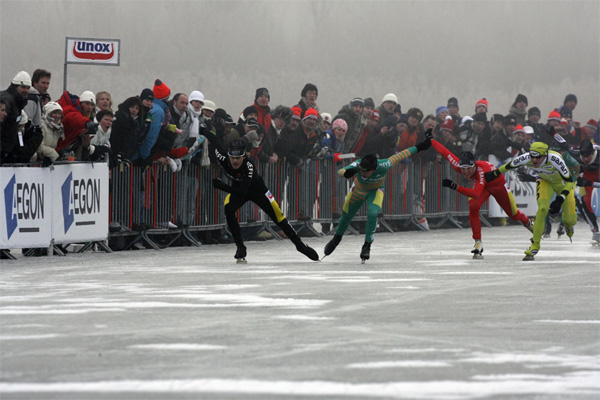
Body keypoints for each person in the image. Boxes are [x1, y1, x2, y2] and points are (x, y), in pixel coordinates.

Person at [203, 127, 319, 262]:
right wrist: (200, 129)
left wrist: (222, 186)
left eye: (238, 158)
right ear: (228, 155)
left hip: (258, 191)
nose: (235, 161)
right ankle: (240, 247)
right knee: (229, 209)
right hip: (238, 188)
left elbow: (243, 191)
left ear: (244, 156)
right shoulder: (223, 157)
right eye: (233, 158)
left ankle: (300, 246)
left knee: (279, 217)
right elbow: (214, 140)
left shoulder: (249, 166)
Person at [323, 132, 433, 262]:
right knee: (346, 215)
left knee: (373, 213)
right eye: (361, 170)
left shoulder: (384, 165)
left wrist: (422, 146)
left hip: (375, 190)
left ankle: (367, 245)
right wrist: (347, 172)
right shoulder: (358, 165)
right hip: (358, 190)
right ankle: (336, 239)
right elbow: (340, 172)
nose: (362, 173)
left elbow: (404, 153)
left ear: (373, 169)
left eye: (365, 171)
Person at [430, 132, 533, 258]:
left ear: (474, 165)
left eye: (469, 168)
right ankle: (478, 242)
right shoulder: (458, 165)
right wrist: (430, 140)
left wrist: (454, 186)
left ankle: (528, 223)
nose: (466, 172)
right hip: (484, 186)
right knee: (473, 206)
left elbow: (476, 193)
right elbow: (445, 152)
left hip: (498, 186)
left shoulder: (480, 171)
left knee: (513, 214)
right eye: (463, 168)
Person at [485, 141, 576, 260]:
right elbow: (510, 165)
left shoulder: (555, 159)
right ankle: (535, 246)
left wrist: (560, 199)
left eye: (537, 157)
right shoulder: (526, 158)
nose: (534, 160)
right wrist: (495, 173)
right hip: (544, 182)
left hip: (562, 184)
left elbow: (570, 181)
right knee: (542, 209)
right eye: (532, 156)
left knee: (570, 219)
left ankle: (568, 225)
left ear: (545, 155)